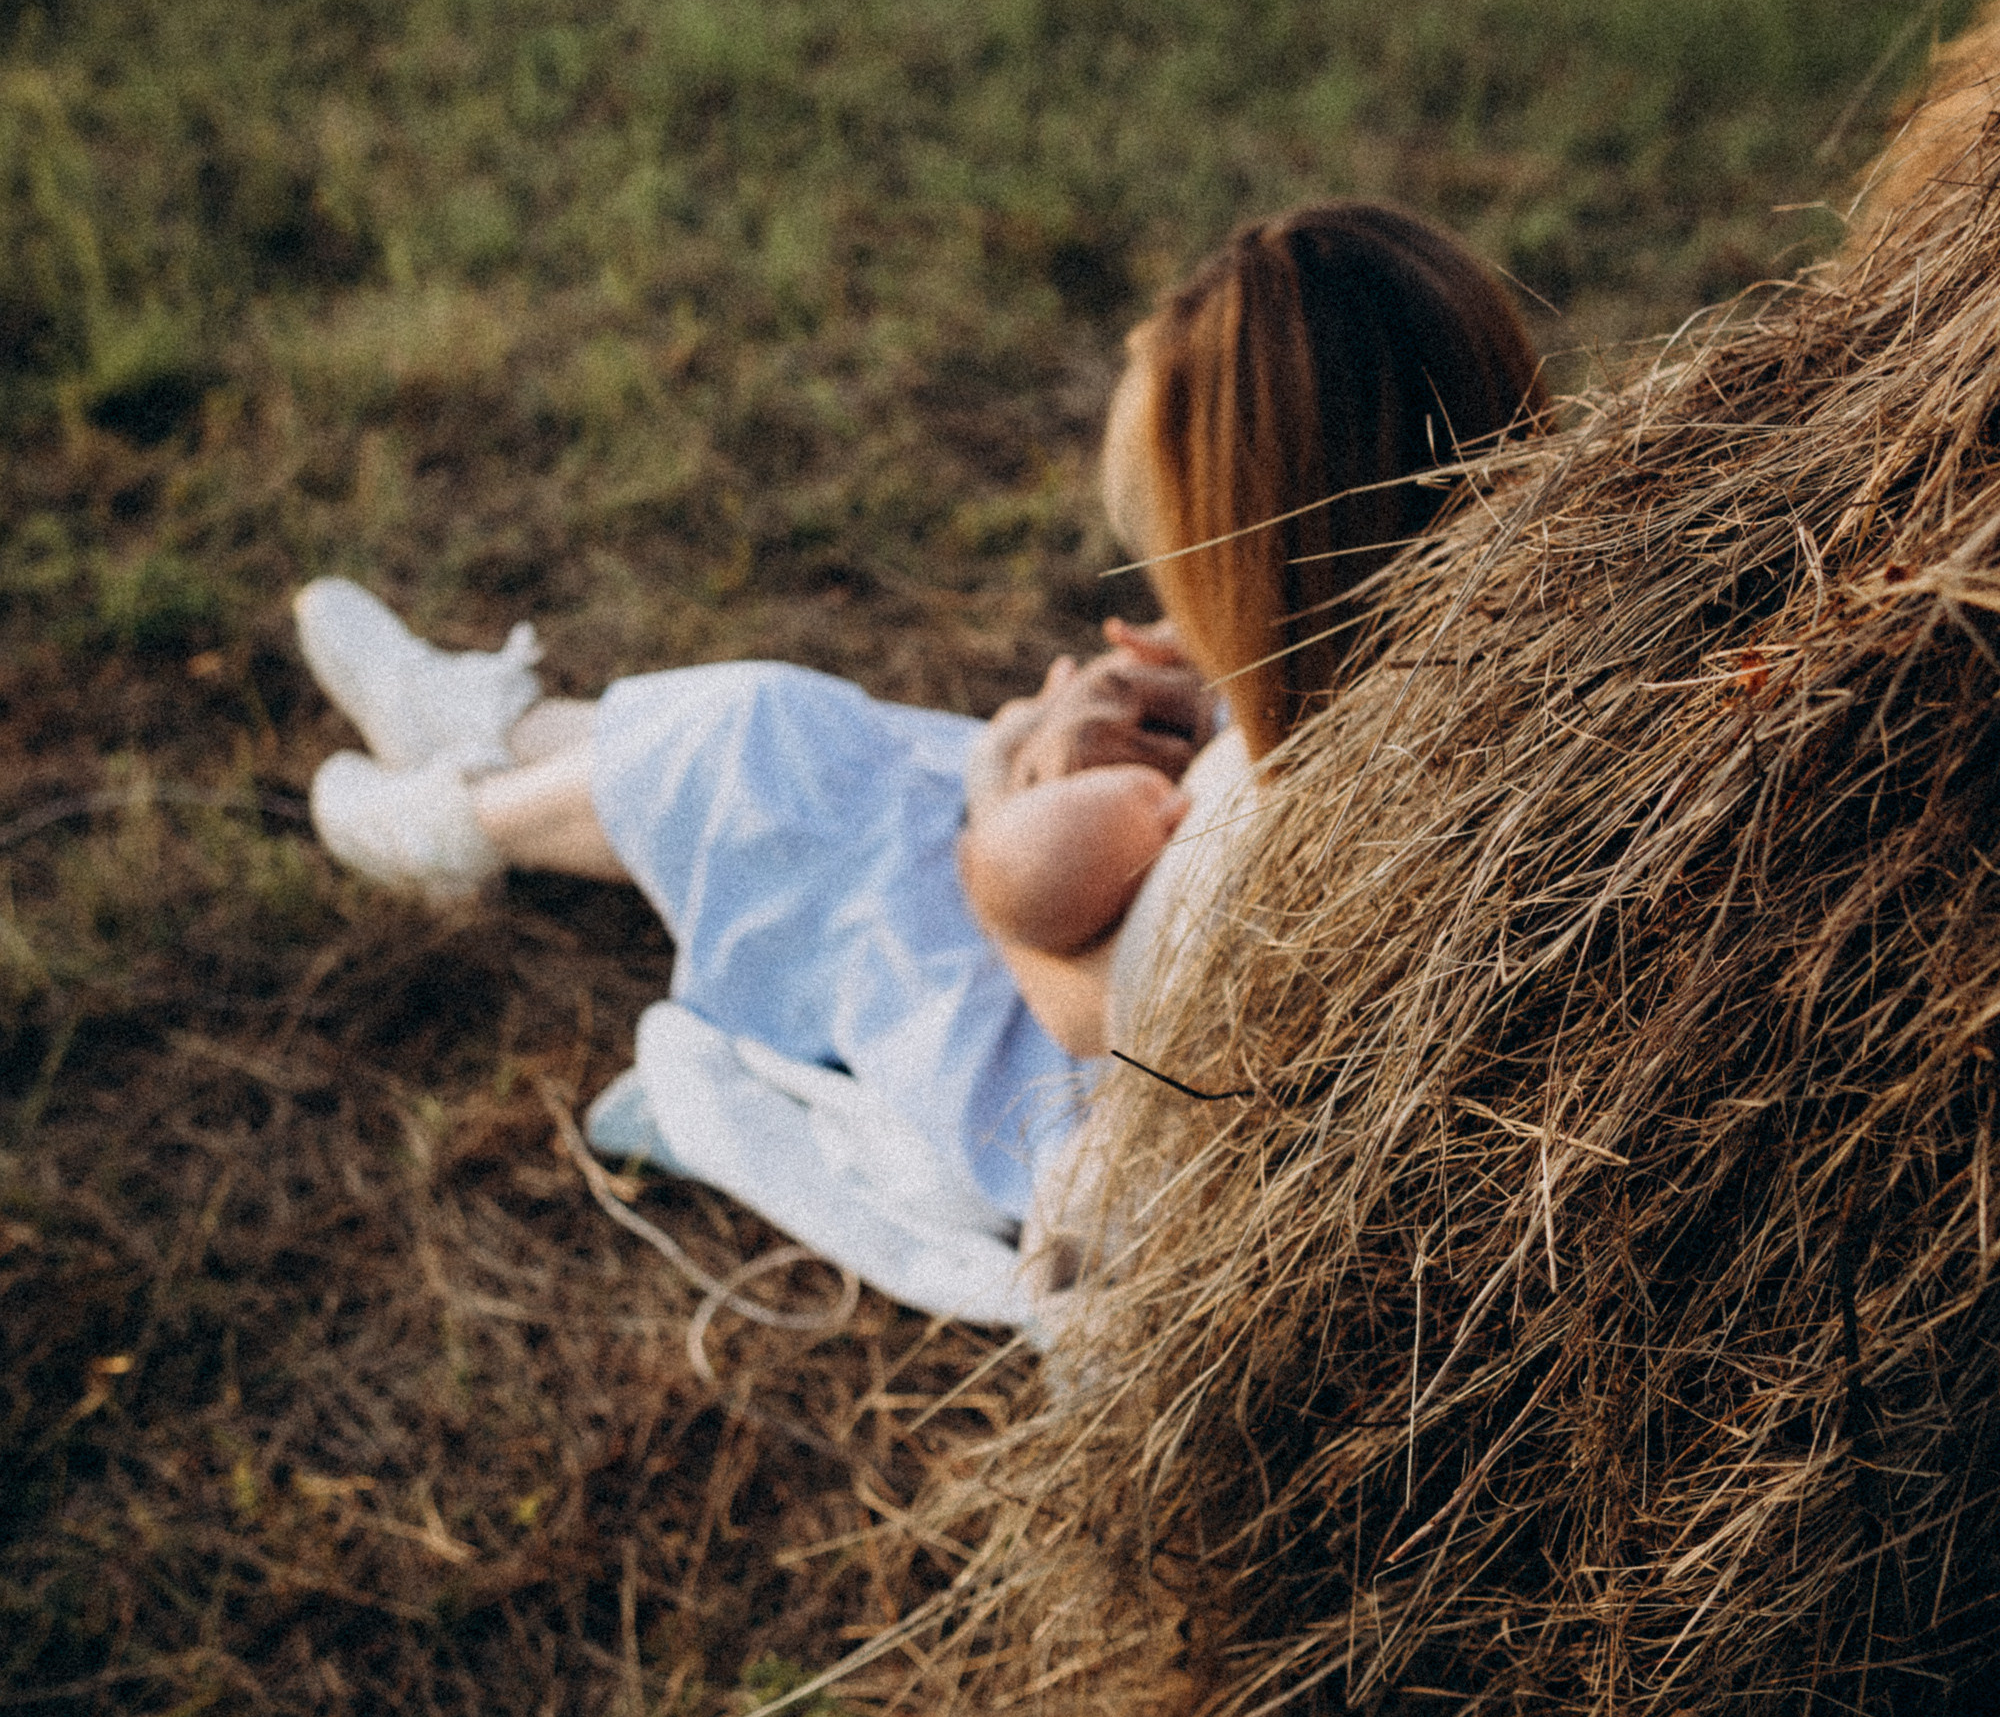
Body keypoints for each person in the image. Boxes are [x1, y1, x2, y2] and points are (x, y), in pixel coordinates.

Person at [298, 200, 1547, 1260]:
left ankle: (463, 822)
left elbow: (1089, 1011)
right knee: (810, 738)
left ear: (1266, 553)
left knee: (764, 757)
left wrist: (1002, 793)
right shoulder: (1478, 666)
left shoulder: (1269, 841)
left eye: (1185, 562)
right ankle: (496, 725)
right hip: (1099, 910)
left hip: (1043, 1063)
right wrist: (1198, 700)